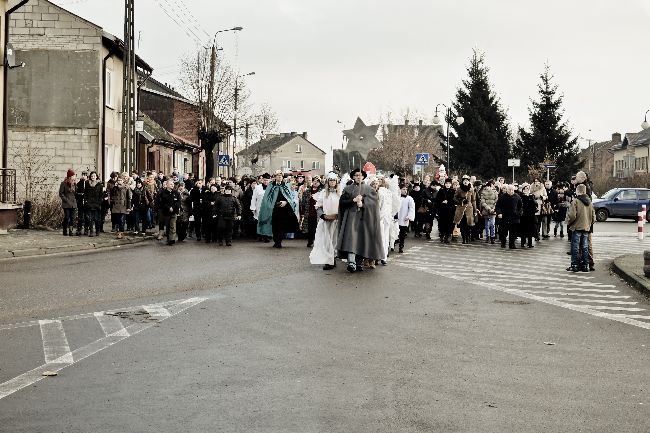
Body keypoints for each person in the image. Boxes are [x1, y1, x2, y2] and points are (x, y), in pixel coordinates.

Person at [336, 168, 384, 272]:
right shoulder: (348, 189)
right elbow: (342, 203)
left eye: (360, 175)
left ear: (363, 177)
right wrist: (352, 200)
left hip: (364, 219)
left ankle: (358, 263)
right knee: (351, 240)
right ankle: (351, 263)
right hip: (351, 218)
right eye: (356, 175)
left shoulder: (369, 189)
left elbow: (374, 204)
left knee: (361, 240)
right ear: (353, 177)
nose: (358, 177)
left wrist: (363, 204)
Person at [257, 170, 299, 248]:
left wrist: (285, 202)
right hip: (274, 209)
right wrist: (271, 205)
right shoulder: (271, 186)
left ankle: (279, 241)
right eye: (278, 175)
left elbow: (290, 198)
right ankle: (276, 241)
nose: (279, 177)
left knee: (282, 225)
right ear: (275, 177)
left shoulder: (285, 186)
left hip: (284, 210)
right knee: (275, 225)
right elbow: (266, 198)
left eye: (281, 176)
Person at [310, 173, 342, 270]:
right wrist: (323, 216)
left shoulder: (340, 193)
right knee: (326, 241)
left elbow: (343, 206)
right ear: (328, 182)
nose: (332, 182)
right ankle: (329, 261)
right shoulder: (324, 193)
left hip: (336, 220)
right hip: (326, 221)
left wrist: (338, 216)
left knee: (334, 241)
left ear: (336, 182)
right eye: (330, 180)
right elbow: (318, 206)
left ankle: (332, 259)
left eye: (334, 180)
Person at [566, 183, 595, 272]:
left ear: (577, 191)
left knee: (575, 246)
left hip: (577, 227)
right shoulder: (589, 202)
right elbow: (593, 216)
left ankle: (575, 265)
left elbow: (572, 215)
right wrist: (589, 224)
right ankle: (585, 265)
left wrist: (569, 223)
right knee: (585, 247)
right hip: (586, 228)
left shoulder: (575, 201)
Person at [495, 184, 522, 249]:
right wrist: (499, 213)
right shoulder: (502, 197)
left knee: (513, 232)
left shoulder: (517, 197)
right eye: (510, 190)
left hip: (514, 217)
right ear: (507, 190)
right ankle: (503, 243)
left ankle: (512, 244)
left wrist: (518, 213)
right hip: (504, 217)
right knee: (503, 232)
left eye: (512, 190)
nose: (511, 191)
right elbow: (498, 206)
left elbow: (520, 207)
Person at [453, 176, 477, 244]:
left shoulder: (471, 189)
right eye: (464, 180)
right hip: (461, 208)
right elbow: (455, 198)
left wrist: (475, 210)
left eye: (467, 180)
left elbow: (473, 200)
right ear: (462, 181)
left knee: (469, 223)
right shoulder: (459, 189)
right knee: (462, 224)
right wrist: (461, 201)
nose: (465, 181)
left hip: (469, 208)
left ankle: (467, 236)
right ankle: (464, 238)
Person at [157, 180, 181, 245]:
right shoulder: (163, 193)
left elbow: (178, 202)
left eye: (172, 184)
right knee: (168, 226)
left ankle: (172, 239)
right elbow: (162, 203)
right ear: (167, 185)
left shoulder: (176, 193)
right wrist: (168, 207)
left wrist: (173, 207)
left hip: (174, 212)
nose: (172, 185)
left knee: (173, 225)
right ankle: (168, 238)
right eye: (170, 184)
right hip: (166, 212)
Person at [435, 178, 456, 243]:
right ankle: (442, 235)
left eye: (449, 183)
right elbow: (437, 200)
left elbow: (454, 201)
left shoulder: (453, 191)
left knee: (449, 224)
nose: (448, 185)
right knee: (442, 223)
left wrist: (448, 202)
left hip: (450, 210)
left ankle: (448, 235)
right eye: (446, 183)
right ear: (444, 184)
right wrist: (442, 201)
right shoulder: (441, 191)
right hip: (442, 210)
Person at [397, 184, 416, 253]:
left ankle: (401, 246)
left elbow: (412, 208)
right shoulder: (397, 197)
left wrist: (409, 216)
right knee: (395, 232)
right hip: (396, 218)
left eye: (406, 189)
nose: (405, 191)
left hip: (404, 218)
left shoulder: (409, 198)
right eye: (403, 189)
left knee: (402, 233)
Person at [84, 171, 103, 237]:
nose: (93, 177)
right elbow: (85, 193)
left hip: (97, 204)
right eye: (92, 176)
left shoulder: (100, 184)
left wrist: (99, 202)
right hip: (89, 204)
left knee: (97, 219)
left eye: (94, 176)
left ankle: (97, 231)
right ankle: (91, 231)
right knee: (90, 219)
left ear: (96, 177)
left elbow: (101, 195)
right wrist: (86, 201)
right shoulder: (87, 183)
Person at [59, 169, 77, 236]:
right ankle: (64, 229)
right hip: (66, 204)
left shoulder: (74, 183)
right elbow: (61, 193)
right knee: (67, 217)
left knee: (72, 217)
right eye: (73, 176)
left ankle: (71, 231)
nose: (74, 177)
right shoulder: (63, 183)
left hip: (73, 203)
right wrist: (65, 199)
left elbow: (76, 193)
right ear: (69, 176)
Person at [519, 183, 538, 248]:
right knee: (523, 229)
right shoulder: (521, 196)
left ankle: (530, 243)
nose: (527, 189)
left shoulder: (531, 196)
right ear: (523, 189)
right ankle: (523, 243)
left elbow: (535, 204)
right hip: (523, 215)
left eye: (528, 188)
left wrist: (531, 197)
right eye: (526, 188)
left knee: (530, 229)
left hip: (531, 215)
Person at [480, 180, 498, 244]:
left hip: (493, 210)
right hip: (486, 210)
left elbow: (496, 201)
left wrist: (493, 208)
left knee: (492, 224)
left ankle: (492, 237)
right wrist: (488, 208)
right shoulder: (483, 192)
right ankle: (488, 236)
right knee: (487, 225)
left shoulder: (495, 192)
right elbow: (483, 202)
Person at [75, 172, 88, 236]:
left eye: (85, 175)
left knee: (86, 217)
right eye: (83, 175)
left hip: (87, 203)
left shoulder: (89, 183)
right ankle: (79, 229)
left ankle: (86, 229)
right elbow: (76, 193)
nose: (84, 176)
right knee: (80, 217)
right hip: (80, 202)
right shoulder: (79, 184)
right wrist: (80, 194)